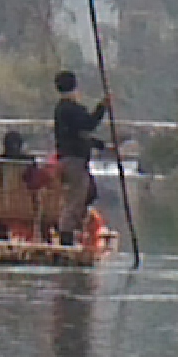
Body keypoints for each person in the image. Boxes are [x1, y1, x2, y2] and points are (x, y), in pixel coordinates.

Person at [50, 69, 113, 244]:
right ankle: (66, 238)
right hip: (74, 161)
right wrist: (102, 107)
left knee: (88, 192)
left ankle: (74, 226)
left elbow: (80, 135)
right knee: (75, 200)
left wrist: (102, 146)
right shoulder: (72, 109)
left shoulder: (61, 109)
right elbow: (89, 124)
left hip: (67, 159)